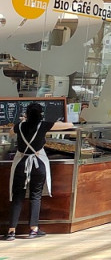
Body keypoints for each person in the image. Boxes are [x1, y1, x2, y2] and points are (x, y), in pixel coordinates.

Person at [6, 103, 72, 240]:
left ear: (27, 113)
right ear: (41, 114)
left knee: (17, 196)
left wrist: (23, 120)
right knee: (35, 196)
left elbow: (10, 132)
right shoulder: (43, 125)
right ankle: (33, 229)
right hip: (38, 163)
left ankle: (11, 231)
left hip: (21, 163)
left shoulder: (20, 126)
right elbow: (69, 125)